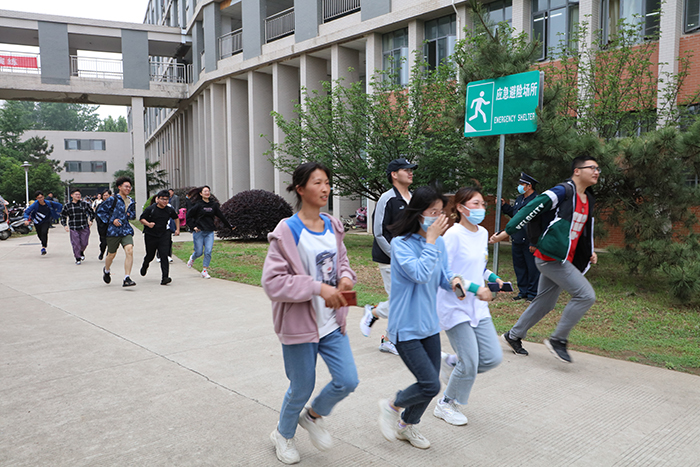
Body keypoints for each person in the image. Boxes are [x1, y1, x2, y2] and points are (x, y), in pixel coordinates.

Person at [261, 162, 359, 465]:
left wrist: (345, 279)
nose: (325, 188)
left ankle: (313, 416)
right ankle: (283, 434)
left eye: (327, 182)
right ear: (300, 189)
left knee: (348, 380)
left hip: (332, 323)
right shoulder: (287, 231)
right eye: (317, 182)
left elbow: (342, 263)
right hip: (299, 326)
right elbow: (273, 283)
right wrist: (317, 288)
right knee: (301, 387)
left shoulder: (333, 225)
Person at [490, 156, 600, 363]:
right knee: (585, 295)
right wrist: (507, 232)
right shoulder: (563, 191)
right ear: (577, 171)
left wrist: (589, 251)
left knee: (545, 303)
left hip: (563, 257)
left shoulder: (587, 198)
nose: (596, 172)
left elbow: (584, 229)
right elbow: (532, 208)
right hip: (551, 257)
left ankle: (513, 335)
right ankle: (558, 340)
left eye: (598, 169)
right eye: (592, 167)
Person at [377, 186, 463, 450]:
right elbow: (420, 274)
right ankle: (392, 406)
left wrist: (455, 282)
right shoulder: (401, 245)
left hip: (428, 325)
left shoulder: (437, 244)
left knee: (429, 384)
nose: (438, 217)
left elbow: (441, 276)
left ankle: (406, 426)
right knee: (430, 384)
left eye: (441, 212)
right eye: (432, 212)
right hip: (405, 326)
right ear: (418, 213)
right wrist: (431, 241)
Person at [433, 185, 504, 427]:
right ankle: (446, 403)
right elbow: (446, 271)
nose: (481, 208)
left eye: (483, 204)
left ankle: (452, 363)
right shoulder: (452, 235)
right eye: (476, 204)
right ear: (461, 208)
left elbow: (477, 265)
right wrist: (475, 288)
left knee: (492, 357)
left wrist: (492, 277)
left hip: (477, 307)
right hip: (454, 306)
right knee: (471, 361)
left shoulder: (483, 233)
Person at [361, 157, 418, 356]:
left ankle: (384, 328)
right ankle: (383, 329)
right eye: (406, 169)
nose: (410, 172)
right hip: (390, 260)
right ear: (394, 174)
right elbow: (378, 232)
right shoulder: (387, 198)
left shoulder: (413, 199)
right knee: (400, 300)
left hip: (410, 260)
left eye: (411, 169)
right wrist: (396, 256)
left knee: (407, 300)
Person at [501, 172, 541, 301]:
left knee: (532, 268)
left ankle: (532, 293)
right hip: (517, 238)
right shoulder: (519, 199)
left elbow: (537, 223)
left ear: (529, 186)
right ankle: (523, 291)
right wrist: (504, 206)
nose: (519, 186)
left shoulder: (536, 200)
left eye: (522, 184)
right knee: (519, 267)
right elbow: (515, 216)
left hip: (529, 239)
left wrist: (534, 242)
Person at [97, 177, 137, 287]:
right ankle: (107, 270)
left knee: (129, 251)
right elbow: (100, 212)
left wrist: (129, 215)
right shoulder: (112, 199)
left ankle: (127, 278)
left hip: (126, 230)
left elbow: (133, 215)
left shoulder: (131, 201)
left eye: (130, 187)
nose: (128, 189)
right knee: (111, 254)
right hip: (113, 231)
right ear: (119, 187)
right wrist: (112, 220)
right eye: (126, 186)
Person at [185, 186, 232, 279]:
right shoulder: (198, 205)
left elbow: (221, 216)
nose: (207, 193)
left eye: (208, 191)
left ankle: (204, 270)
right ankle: (192, 258)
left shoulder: (213, 205)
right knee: (199, 252)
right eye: (205, 191)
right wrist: (193, 227)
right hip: (199, 232)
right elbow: (188, 216)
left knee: (208, 251)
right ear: (201, 194)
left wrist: (229, 226)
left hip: (209, 231)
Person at [139, 190, 180, 285]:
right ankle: (145, 264)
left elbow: (176, 218)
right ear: (158, 199)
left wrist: (177, 229)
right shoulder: (151, 209)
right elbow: (141, 219)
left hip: (164, 234)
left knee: (164, 255)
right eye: (162, 199)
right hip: (151, 235)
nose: (165, 201)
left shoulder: (169, 209)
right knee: (150, 255)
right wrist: (148, 224)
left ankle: (165, 277)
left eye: (167, 199)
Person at [60, 188, 95, 265]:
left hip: (84, 226)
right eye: (76, 194)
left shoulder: (84, 204)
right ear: (72, 195)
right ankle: (77, 257)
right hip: (74, 227)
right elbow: (63, 216)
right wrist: (65, 225)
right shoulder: (68, 206)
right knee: (76, 244)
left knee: (84, 243)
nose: (78, 196)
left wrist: (91, 220)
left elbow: (92, 213)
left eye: (79, 194)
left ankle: (81, 251)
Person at [23, 191, 62, 255]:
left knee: (44, 232)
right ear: (36, 198)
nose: (40, 199)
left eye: (41, 197)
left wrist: (58, 212)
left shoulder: (49, 203)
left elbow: (59, 205)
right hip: (37, 221)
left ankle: (43, 247)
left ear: (43, 197)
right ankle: (43, 242)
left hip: (46, 221)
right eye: (39, 198)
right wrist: (26, 219)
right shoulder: (35, 204)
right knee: (40, 234)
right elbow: (27, 212)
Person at [96, 189, 112, 260]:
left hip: (111, 226)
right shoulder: (100, 206)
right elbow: (97, 215)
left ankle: (108, 255)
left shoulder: (114, 205)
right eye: (104, 195)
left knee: (111, 241)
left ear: (110, 196)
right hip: (102, 227)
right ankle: (102, 252)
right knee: (103, 242)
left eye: (107, 195)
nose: (105, 197)